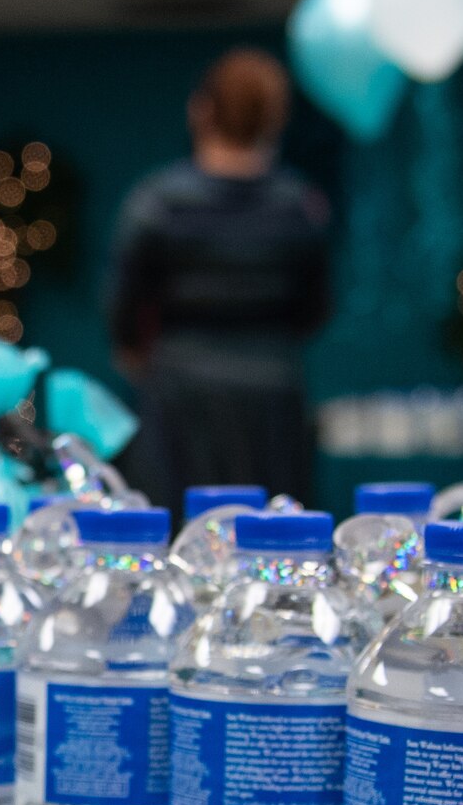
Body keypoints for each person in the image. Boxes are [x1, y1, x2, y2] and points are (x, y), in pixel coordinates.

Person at [107, 48, 331, 509]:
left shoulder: (157, 204)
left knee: (177, 540)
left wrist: (139, 354)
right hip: (272, 398)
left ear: (202, 111)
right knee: (275, 542)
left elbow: (124, 310)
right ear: (275, 119)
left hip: (180, 396)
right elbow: (315, 310)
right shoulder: (301, 209)